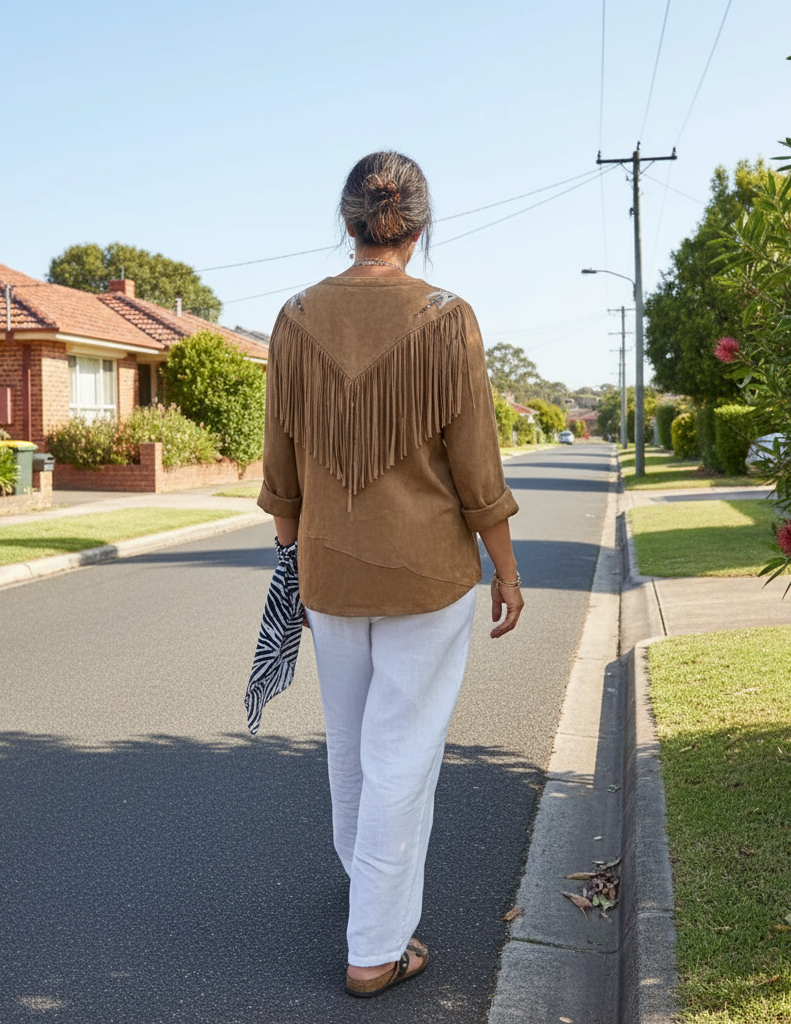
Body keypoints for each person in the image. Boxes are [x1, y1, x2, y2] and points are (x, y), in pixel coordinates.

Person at [257, 150, 523, 998]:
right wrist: (505, 570)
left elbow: (281, 464)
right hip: (427, 574)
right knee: (403, 755)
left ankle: (373, 895)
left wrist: (290, 558)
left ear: (349, 222)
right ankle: (374, 947)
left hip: (329, 574)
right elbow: (476, 466)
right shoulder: (448, 318)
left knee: (355, 750)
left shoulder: (295, 319)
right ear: (418, 226)